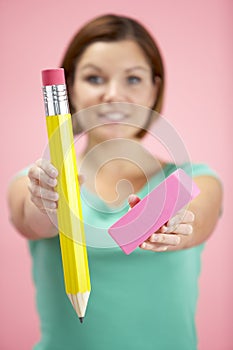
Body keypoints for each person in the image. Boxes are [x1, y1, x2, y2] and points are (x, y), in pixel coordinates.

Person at [7, 14, 222, 350]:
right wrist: (47, 204)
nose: (113, 94)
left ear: (155, 87)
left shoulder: (195, 180)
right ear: (69, 90)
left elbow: (198, 216)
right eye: (94, 78)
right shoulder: (34, 182)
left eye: (133, 79)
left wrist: (174, 226)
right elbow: (32, 219)